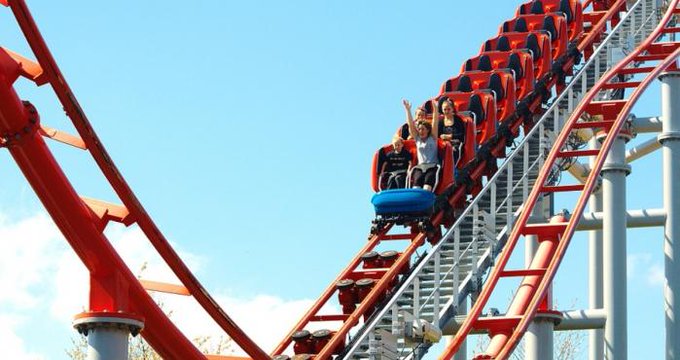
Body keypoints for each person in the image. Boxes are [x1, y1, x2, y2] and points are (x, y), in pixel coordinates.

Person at [403, 99, 439, 192]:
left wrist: (435, 109)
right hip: (420, 167)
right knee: (416, 187)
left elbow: (435, 122)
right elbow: (411, 125)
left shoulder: (433, 137)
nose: (421, 131)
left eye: (423, 129)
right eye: (419, 129)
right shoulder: (417, 139)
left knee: (427, 187)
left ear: (427, 130)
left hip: (432, 166)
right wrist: (408, 110)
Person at [437, 97, 466, 169]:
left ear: (452, 109)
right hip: (444, 144)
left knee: (451, 152)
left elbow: (462, 135)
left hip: (456, 144)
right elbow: (437, 135)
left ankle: (452, 170)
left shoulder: (458, 120)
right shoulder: (440, 122)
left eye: (448, 109)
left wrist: (450, 136)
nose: (446, 111)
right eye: (445, 109)